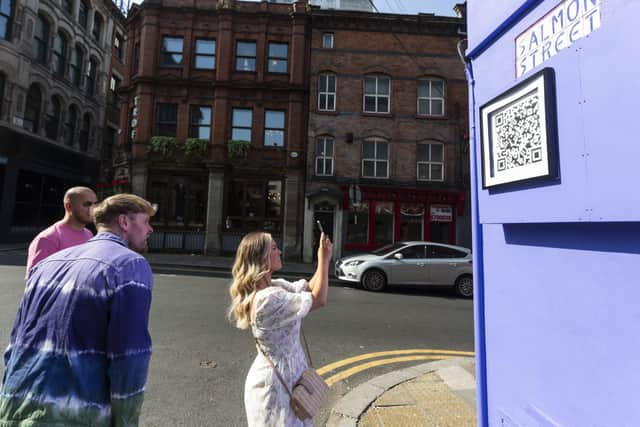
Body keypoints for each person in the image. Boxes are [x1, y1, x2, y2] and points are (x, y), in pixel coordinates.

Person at [0, 193, 156, 426]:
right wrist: (126, 421)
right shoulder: (130, 265)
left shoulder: (47, 264)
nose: (150, 229)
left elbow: (16, 342)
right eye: (145, 222)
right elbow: (129, 356)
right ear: (124, 222)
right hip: (73, 413)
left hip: (14, 405)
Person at [228, 231, 333, 427]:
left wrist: (322, 255)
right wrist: (325, 260)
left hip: (288, 377)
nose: (280, 251)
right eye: (274, 248)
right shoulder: (268, 299)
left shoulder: (275, 286)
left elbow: (309, 289)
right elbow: (319, 299)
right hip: (275, 386)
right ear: (262, 257)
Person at [25, 186, 97, 275]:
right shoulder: (47, 238)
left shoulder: (89, 234)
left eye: (95, 204)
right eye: (87, 204)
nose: (93, 209)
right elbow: (34, 278)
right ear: (68, 206)